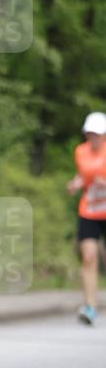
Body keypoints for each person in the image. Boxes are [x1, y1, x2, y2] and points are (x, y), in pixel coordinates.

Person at [66, 111, 106, 326]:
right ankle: (90, 306)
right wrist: (76, 183)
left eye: (98, 134)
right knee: (89, 256)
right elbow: (84, 175)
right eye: (90, 134)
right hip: (90, 210)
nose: (93, 138)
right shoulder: (81, 152)